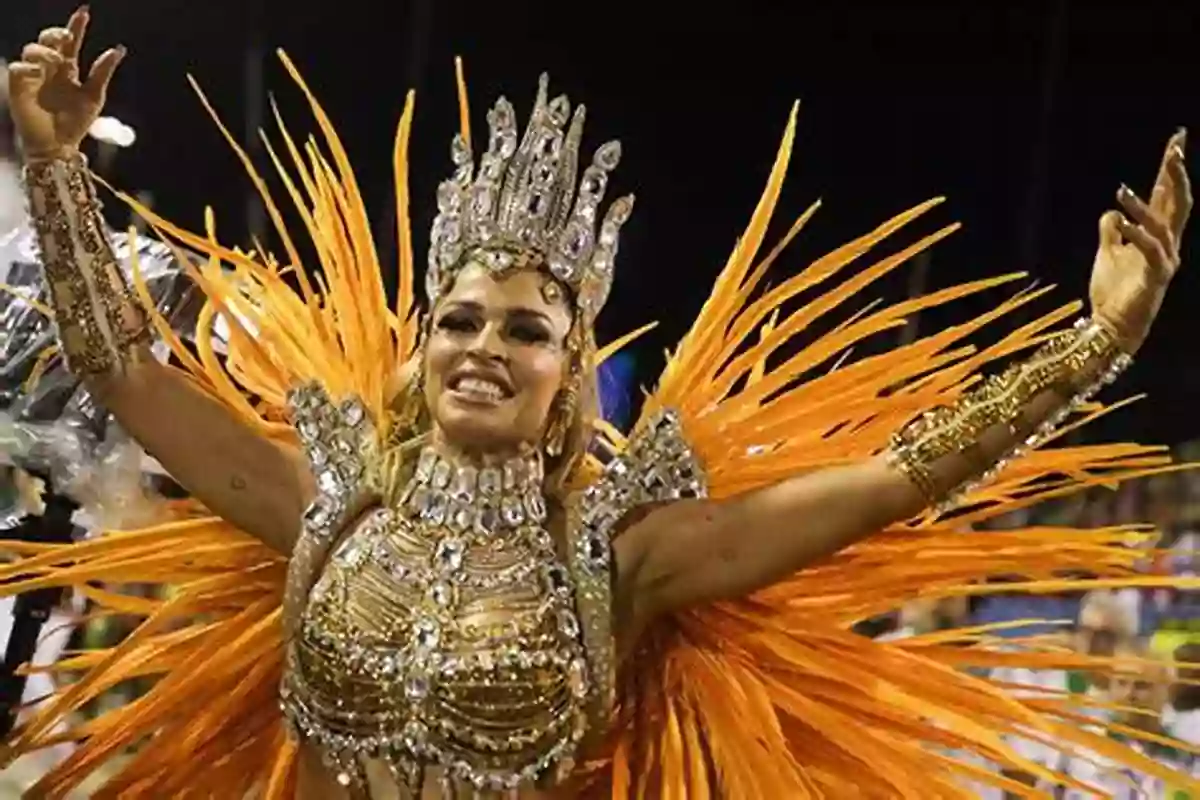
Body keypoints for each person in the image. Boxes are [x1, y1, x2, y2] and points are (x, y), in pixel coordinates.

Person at [1, 6, 1197, 798]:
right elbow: (128, 373)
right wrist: (55, 169)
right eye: (460, 321)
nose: (484, 347)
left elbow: (896, 476)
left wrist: (1096, 342)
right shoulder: (328, 502)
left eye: (527, 330)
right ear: (420, 349)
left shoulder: (616, 555)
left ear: (570, 373)